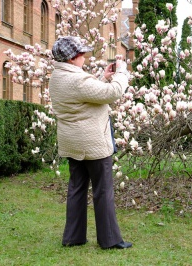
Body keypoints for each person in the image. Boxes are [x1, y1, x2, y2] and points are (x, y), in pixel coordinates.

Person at [49, 36, 132, 249]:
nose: (84, 57)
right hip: (92, 143)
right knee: (103, 190)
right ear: (71, 58)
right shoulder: (77, 80)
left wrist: (103, 78)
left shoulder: (57, 77)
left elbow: (85, 95)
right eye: (80, 54)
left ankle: (73, 237)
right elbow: (113, 93)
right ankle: (110, 240)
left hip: (73, 143)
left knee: (76, 188)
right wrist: (121, 72)